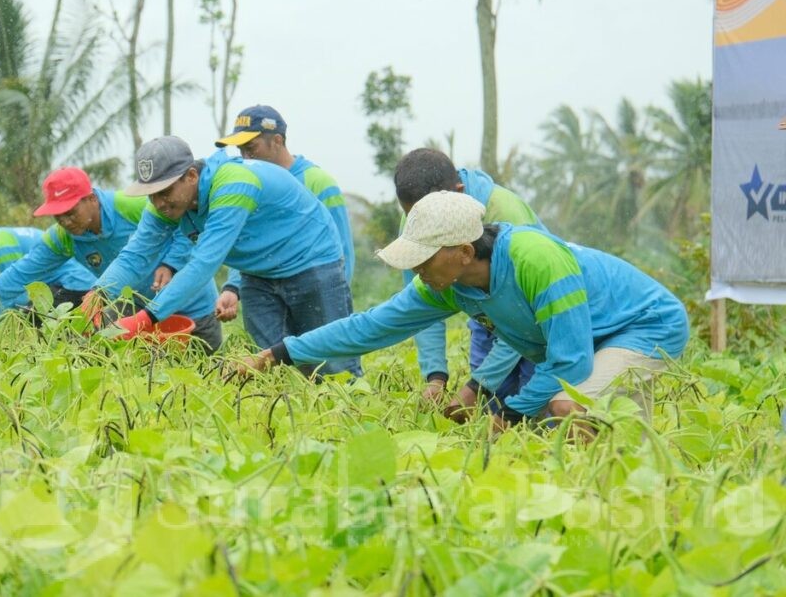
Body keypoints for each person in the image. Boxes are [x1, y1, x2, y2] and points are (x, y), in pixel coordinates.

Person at [238, 191, 689, 430]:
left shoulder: (536, 260)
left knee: (567, 406)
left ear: (463, 250)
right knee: (569, 423)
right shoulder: (448, 284)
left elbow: (569, 362)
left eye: (423, 257)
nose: (416, 268)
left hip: (643, 326)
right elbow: (371, 327)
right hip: (589, 338)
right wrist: (280, 352)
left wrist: (508, 415)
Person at [94, 135, 361, 377]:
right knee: (268, 362)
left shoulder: (233, 184)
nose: (159, 203)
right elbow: (136, 254)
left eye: (165, 192)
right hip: (258, 272)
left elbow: (203, 263)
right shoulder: (164, 207)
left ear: (190, 176)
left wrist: (146, 318)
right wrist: (98, 295)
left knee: (332, 358)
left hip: (311, 261)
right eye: (152, 196)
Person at [0, 167, 222, 351]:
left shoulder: (130, 205)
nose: (65, 221)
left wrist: (170, 263)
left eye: (70, 212)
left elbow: (187, 224)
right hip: (137, 317)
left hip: (194, 308)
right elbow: (20, 273)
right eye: (58, 216)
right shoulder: (63, 237)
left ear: (90, 198)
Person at [394, 148, 543, 419]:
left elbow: (527, 316)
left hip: (537, 321)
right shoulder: (414, 221)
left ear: (460, 191)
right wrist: (435, 376)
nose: (422, 226)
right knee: (490, 413)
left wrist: (477, 385)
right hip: (483, 317)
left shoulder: (506, 212)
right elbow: (420, 305)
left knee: (536, 410)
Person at [211, 104, 355, 322]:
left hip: (315, 295)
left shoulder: (318, 182)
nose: (245, 156)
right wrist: (232, 287)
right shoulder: (246, 186)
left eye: (251, 148)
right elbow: (248, 244)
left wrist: (334, 305)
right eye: (240, 150)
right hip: (267, 298)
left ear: (277, 141)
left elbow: (341, 252)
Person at [0, 206, 97, 322]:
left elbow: (19, 295)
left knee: (32, 318)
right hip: (58, 286)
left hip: (75, 285)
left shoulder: (2, 247)